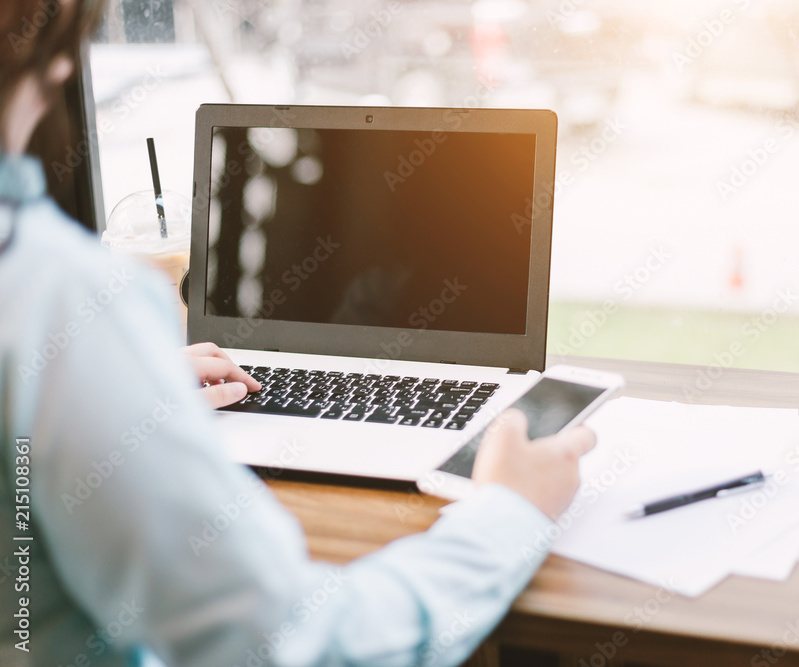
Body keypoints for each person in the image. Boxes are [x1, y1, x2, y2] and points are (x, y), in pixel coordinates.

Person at [0, 1, 596, 665]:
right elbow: (295, 648)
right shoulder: (60, 297)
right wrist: (510, 512)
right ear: (56, 59)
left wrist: (121, 397)